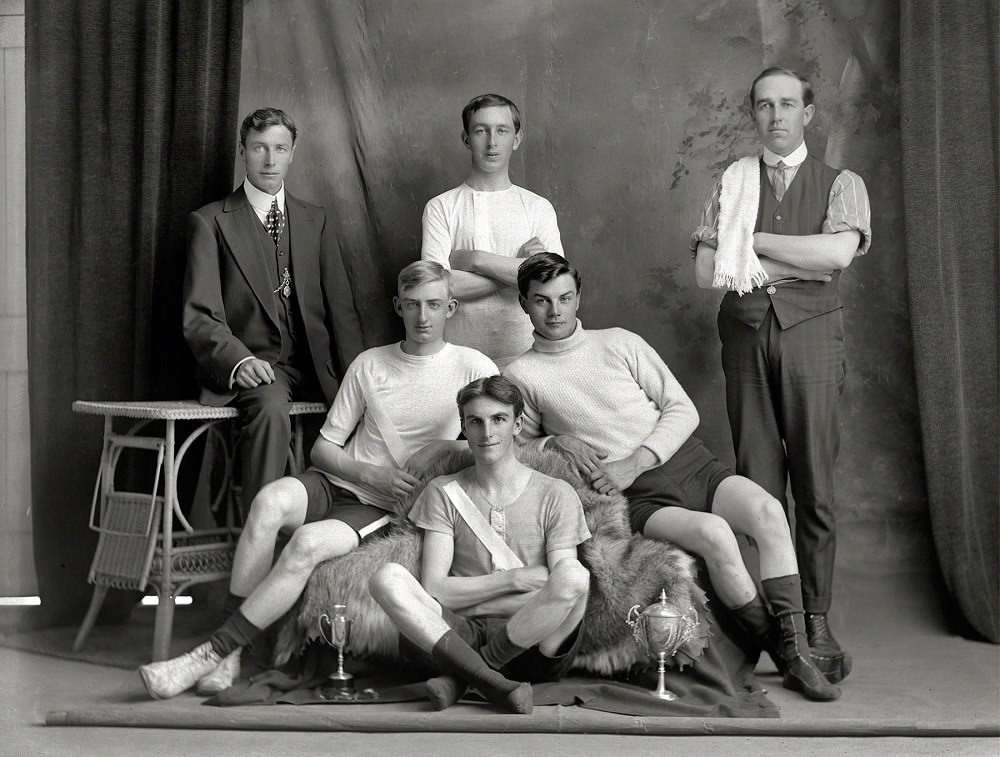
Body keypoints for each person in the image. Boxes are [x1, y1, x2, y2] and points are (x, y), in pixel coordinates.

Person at [140, 262, 497, 699]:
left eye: (434, 305)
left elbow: (500, 438)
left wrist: (443, 450)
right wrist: (369, 471)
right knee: (268, 502)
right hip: (340, 479)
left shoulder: (472, 366)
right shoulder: (370, 364)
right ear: (397, 307)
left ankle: (212, 653)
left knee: (306, 543)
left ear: (451, 307)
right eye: (412, 305)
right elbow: (323, 449)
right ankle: (230, 654)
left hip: (381, 505)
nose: (423, 317)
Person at [503, 253, 840, 701]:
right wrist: (553, 442)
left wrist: (638, 458)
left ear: (578, 296)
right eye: (542, 301)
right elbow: (512, 445)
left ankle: (794, 648)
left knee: (768, 511)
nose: (556, 311)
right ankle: (786, 654)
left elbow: (683, 409)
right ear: (524, 303)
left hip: (688, 462)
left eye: (565, 298)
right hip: (636, 495)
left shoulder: (619, 342)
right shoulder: (520, 374)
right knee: (715, 533)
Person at [690, 67, 871, 683]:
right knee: (759, 489)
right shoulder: (732, 181)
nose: (776, 116)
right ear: (753, 114)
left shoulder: (841, 183)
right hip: (743, 336)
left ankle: (816, 617)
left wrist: (755, 243)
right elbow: (708, 270)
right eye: (764, 105)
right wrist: (792, 256)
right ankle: (777, 623)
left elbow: (837, 256)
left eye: (788, 104)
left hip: (813, 338)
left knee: (815, 485)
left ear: (809, 113)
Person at [368, 375, 591, 714]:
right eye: (476, 421)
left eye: (498, 419)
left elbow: (559, 588)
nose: (487, 433)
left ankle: (469, 678)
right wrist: (513, 582)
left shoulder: (555, 493)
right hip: (458, 637)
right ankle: (494, 682)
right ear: (464, 427)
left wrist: (472, 596)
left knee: (576, 576)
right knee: (386, 578)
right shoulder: (443, 492)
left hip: (534, 645)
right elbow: (436, 589)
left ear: (517, 425)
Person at [183, 107, 365, 514]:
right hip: (261, 368)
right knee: (269, 412)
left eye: (279, 148)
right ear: (242, 152)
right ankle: (260, 542)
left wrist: (358, 377)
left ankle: (334, 539)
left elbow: (342, 311)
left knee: (371, 418)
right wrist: (238, 360)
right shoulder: (210, 222)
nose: (270, 159)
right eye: (259, 148)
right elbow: (200, 315)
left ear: (293, 152)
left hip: (318, 367)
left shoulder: (313, 219)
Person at [421, 93, 564, 368]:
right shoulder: (441, 207)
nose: (492, 142)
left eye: (502, 130)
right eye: (480, 131)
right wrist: (522, 270)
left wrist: (476, 260)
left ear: (517, 139)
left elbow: (552, 282)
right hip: (458, 358)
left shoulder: (537, 207)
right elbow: (437, 289)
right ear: (466, 139)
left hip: (529, 356)